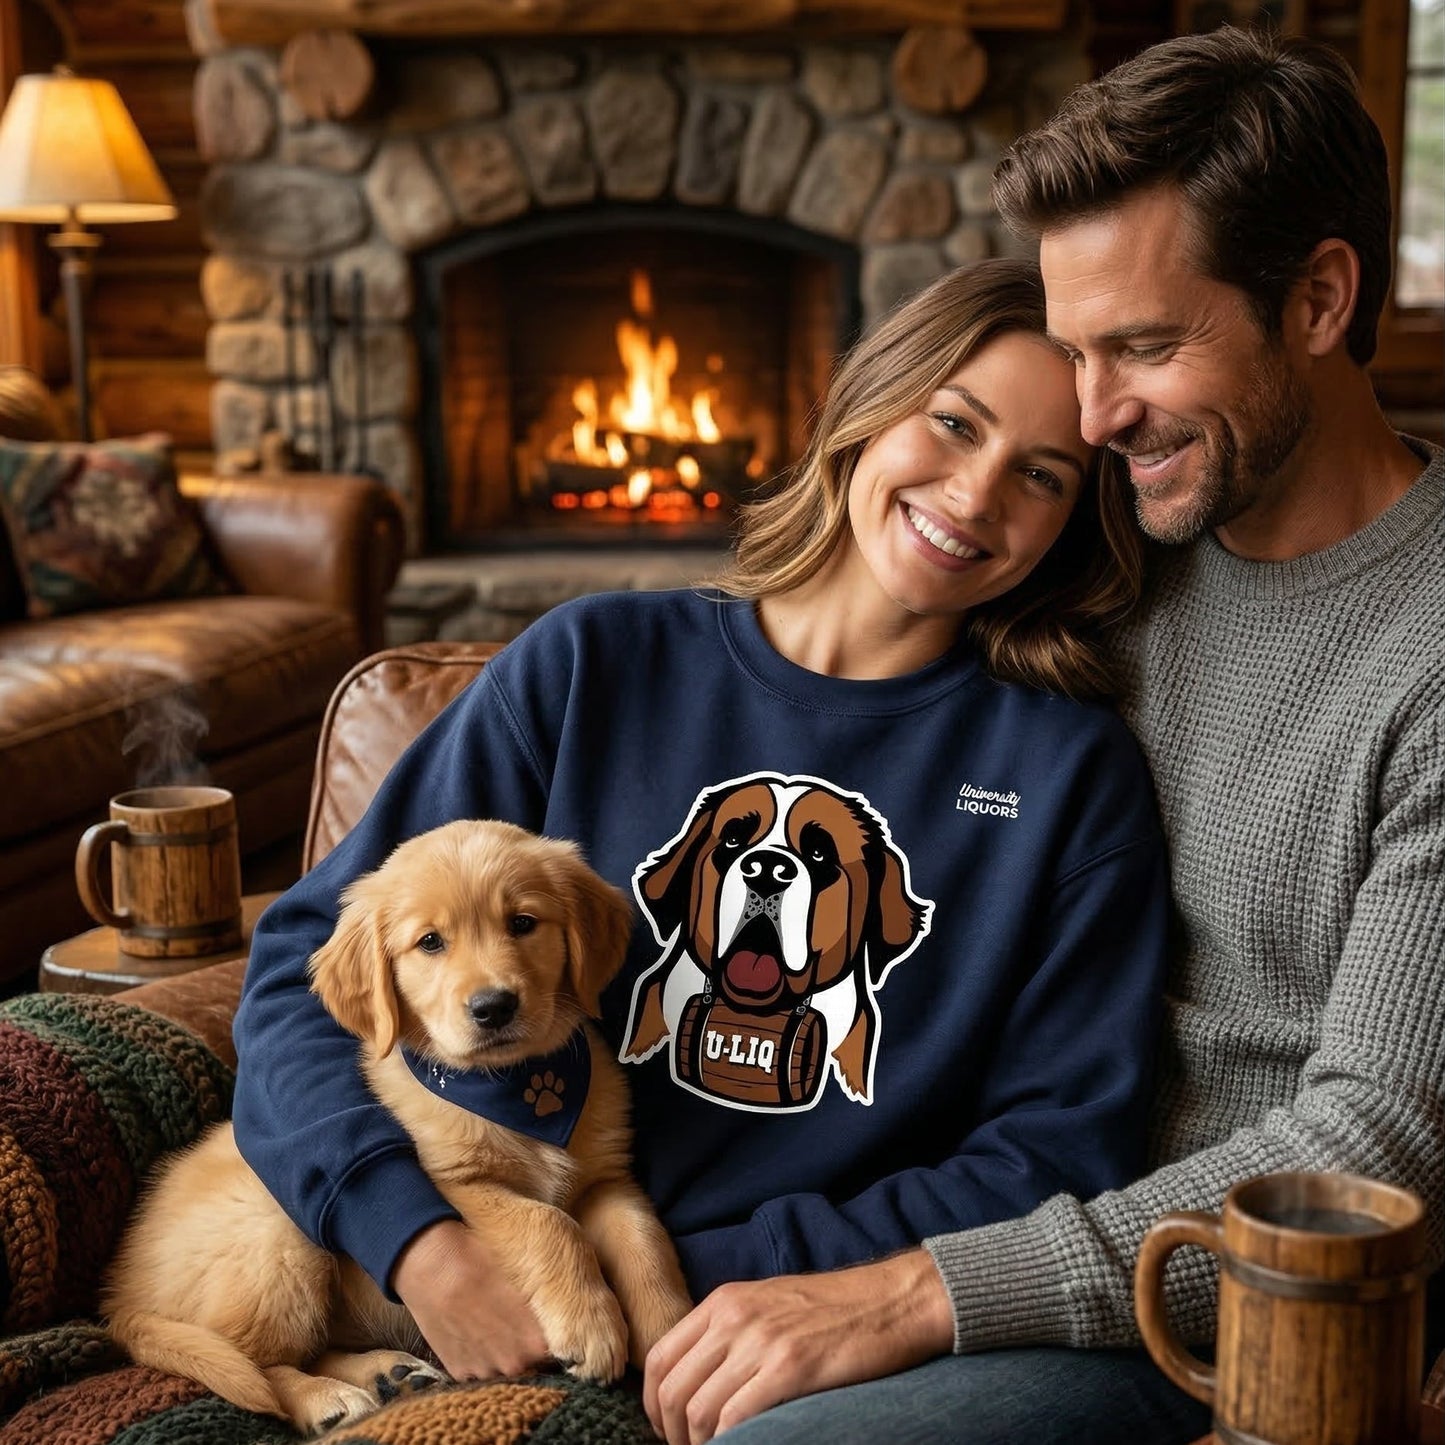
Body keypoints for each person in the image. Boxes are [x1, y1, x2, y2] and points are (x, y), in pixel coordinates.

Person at [638, 22, 1445, 1445]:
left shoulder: (1424, 649)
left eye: (1144, 346)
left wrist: (917, 1291)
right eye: (1076, 351)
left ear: (1319, 299)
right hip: (970, 1195)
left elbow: (1371, 1148)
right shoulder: (1092, 563)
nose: (1095, 414)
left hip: (1240, 1299)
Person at [229, 259, 1171, 1430]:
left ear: (1071, 520)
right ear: (865, 408)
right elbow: (299, 973)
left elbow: (1053, 1152)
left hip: (798, 1334)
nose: (975, 494)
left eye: (1040, 474)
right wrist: (417, 1239)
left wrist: (751, 1278)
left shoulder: (1067, 775)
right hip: (496, 1279)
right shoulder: (590, 666)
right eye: (951, 422)